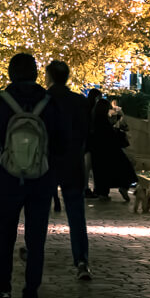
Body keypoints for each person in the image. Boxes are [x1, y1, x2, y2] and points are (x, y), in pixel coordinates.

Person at [0, 53, 63, 298]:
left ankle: (3, 293)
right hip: (41, 179)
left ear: (10, 72)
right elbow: (62, 143)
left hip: (7, 178)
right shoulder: (50, 104)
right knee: (36, 240)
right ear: (37, 73)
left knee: (6, 235)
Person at [45, 60, 92, 280]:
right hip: (73, 163)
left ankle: (34, 250)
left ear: (49, 77)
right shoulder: (79, 102)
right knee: (76, 213)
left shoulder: (43, 100)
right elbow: (86, 134)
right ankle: (81, 259)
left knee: (39, 210)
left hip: (47, 163)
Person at [88, 98, 134, 202]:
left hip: (98, 152)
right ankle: (123, 186)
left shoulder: (94, 120)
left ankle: (103, 193)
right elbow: (111, 136)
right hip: (111, 151)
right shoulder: (104, 121)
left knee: (101, 173)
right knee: (126, 168)